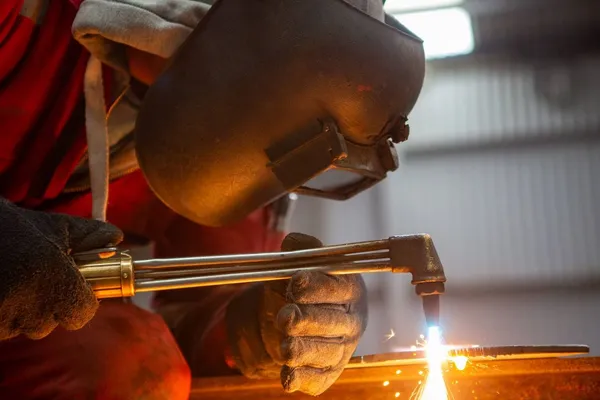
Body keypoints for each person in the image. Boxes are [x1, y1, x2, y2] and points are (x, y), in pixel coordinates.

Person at [0, 0, 424, 398]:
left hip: (27, 328)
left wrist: (260, 327)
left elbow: (191, 325)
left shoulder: (238, 149)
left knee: (136, 364)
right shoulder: (24, 15)